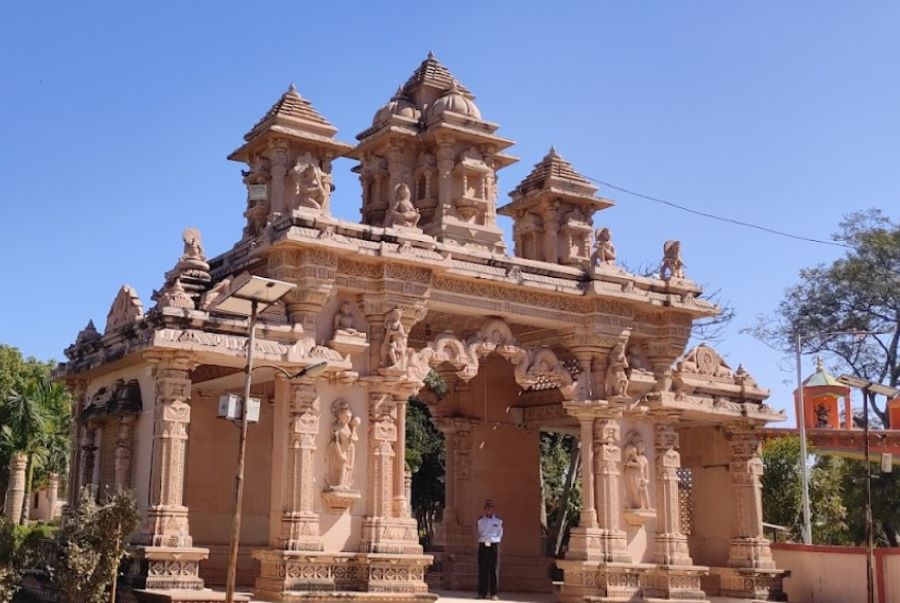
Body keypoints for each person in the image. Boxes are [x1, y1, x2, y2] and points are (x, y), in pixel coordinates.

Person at [475, 499, 503, 600]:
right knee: (483, 570)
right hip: (483, 545)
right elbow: (478, 532)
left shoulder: (499, 521)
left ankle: (493, 593)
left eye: (490, 508)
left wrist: (495, 540)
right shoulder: (480, 521)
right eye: (487, 508)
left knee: (493, 570)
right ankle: (482, 593)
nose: (488, 510)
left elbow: (500, 533)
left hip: (494, 545)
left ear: (493, 509)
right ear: (484, 509)